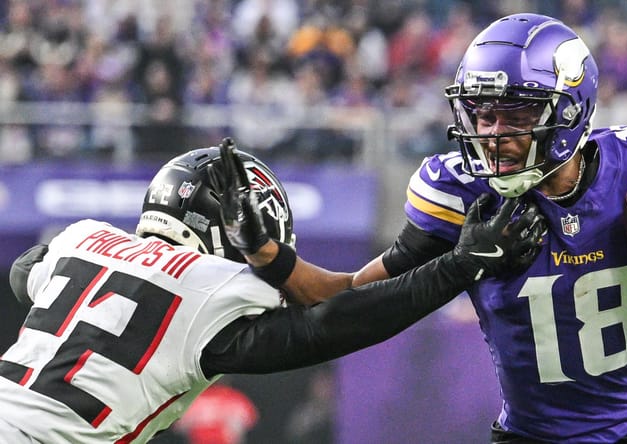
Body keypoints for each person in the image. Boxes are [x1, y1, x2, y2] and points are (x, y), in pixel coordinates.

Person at [351, 13, 627, 443]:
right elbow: (362, 299)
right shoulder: (463, 191)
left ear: (570, 110)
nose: (495, 136)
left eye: (517, 114)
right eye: (483, 114)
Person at [0, 139, 545, 442]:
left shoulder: (82, 240)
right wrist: (457, 268)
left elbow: (24, 271)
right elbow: (332, 322)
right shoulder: (213, 287)